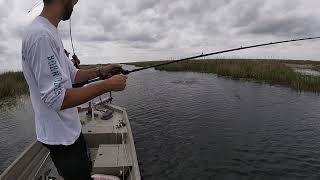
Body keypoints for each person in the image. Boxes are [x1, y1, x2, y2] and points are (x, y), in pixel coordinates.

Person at [21, 0, 128, 179]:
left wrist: (101, 71)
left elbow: (72, 75)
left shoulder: (49, 32)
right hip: (61, 139)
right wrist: (108, 85)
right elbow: (58, 99)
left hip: (69, 131)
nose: (77, 1)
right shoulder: (41, 36)